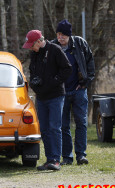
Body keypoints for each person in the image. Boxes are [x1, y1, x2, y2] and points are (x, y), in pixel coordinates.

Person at [22, 30, 72, 170]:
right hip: (42, 97)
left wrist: (54, 81)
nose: (30, 48)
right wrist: (34, 83)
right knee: (43, 128)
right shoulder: (34, 54)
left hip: (56, 96)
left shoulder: (55, 49)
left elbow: (67, 69)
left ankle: (56, 160)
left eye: (32, 45)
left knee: (54, 128)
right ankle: (49, 159)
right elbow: (33, 71)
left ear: (39, 41)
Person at [52, 19, 95, 165]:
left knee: (81, 123)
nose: (60, 37)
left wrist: (85, 82)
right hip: (60, 93)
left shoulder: (80, 43)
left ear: (69, 35)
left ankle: (81, 155)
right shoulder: (53, 46)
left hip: (79, 91)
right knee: (63, 125)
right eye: (58, 34)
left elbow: (90, 62)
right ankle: (67, 157)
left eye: (63, 34)